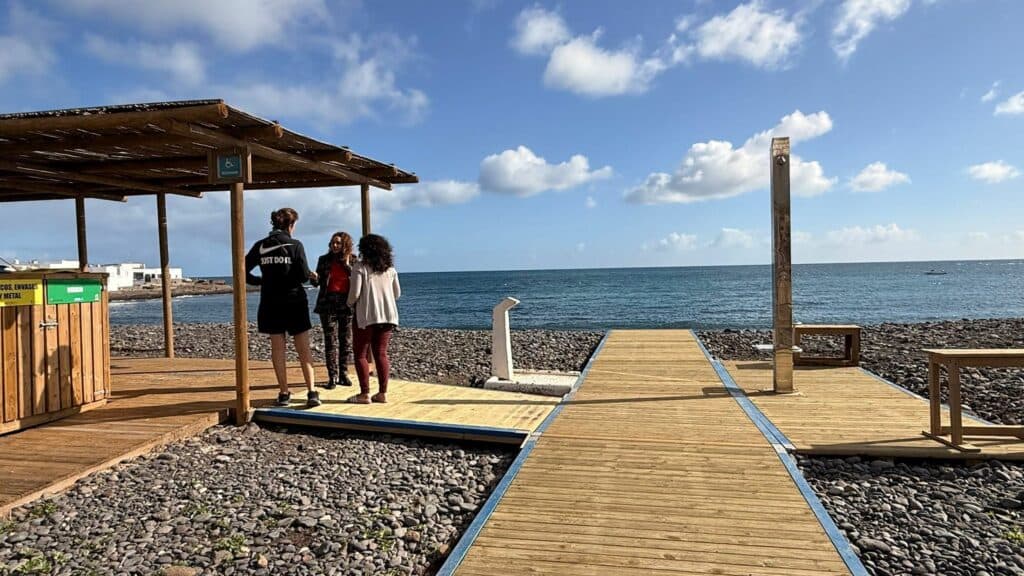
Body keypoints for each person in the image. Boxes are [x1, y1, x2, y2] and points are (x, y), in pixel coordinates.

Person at [244, 207, 321, 408]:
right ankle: (312, 392)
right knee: (303, 348)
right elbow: (303, 275)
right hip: (294, 300)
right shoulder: (295, 245)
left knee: (277, 348)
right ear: (290, 225)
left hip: (270, 301)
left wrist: (261, 281)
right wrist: (311, 276)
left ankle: (284, 393)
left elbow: (242, 269)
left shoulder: (261, 245)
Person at [346, 234, 400, 404]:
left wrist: (348, 304)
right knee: (381, 353)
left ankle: (364, 394)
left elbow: (354, 294)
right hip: (387, 316)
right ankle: (382, 392)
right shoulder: (390, 270)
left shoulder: (360, 267)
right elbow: (397, 293)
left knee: (361, 354)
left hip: (366, 316)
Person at [313, 231, 355, 389]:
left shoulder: (353, 259)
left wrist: (346, 264)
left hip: (346, 304)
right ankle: (332, 376)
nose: (334, 246)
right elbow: (318, 283)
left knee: (346, 341)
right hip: (327, 303)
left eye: (338, 243)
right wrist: (314, 278)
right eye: (332, 243)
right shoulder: (324, 260)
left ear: (345, 244)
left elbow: (357, 280)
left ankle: (343, 373)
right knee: (330, 341)